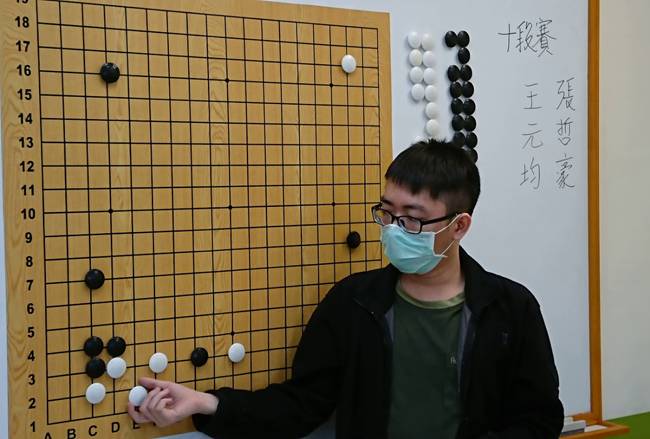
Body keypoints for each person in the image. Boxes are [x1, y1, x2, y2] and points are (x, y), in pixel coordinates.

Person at [128, 139, 564, 438]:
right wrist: (206, 404)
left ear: (459, 226)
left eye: (413, 219)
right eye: (387, 213)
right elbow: (302, 403)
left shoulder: (510, 308)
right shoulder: (355, 301)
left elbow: (539, 419)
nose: (394, 230)